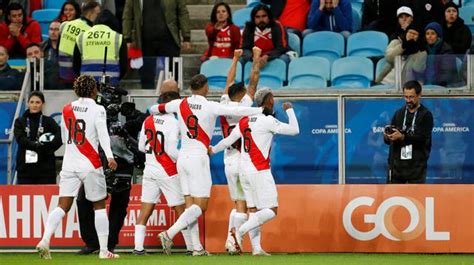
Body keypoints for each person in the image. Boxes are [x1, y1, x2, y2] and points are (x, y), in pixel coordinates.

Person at [150, 74, 263, 256]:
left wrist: (158, 113)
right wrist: (260, 111)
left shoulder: (179, 104)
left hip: (182, 159)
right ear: (205, 88)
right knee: (200, 206)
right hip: (197, 158)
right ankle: (169, 233)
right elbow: (238, 112)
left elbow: (155, 108)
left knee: (190, 207)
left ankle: (197, 249)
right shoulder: (210, 106)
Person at [35, 75, 119, 259]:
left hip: (70, 162)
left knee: (62, 205)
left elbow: (65, 137)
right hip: (90, 163)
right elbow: (103, 135)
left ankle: (45, 239)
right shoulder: (98, 109)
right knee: (99, 206)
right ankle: (104, 251)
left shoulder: (67, 108)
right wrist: (110, 156)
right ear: (92, 90)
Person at [210, 88, 300, 255]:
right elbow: (295, 130)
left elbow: (228, 140)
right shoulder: (267, 121)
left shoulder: (244, 121)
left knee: (253, 210)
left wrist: (213, 150)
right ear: (270, 101)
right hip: (259, 170)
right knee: (271, 210)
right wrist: (290, 110)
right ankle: (238, 232)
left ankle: (256, 249)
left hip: (244, 171)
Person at [219, 48, 268, 256]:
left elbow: (228, 82)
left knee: (240, 203)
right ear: (240, 96)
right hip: (243, 160)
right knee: (251, 206)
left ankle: (241, 244)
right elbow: (254, 79)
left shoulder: (223, 104)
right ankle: (236, 241)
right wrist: (256, 56)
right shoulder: (244, 106)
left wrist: (235, 58)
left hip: (228, 160)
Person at [133, 91, 194, 256]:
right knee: (181, 209)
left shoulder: (148, 120)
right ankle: (191, 248)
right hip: (167, 170)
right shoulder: (172, 122)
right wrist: (187, 157)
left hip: (149, 169)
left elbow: (140, 147)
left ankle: (138, 248)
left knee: (145, 210)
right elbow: (172, 151)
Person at [122, 0, 191, 89]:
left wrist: (186, 36)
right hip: (145, 40)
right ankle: (147, 98)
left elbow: (182, 12)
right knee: (147, 76)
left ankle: (173, 97)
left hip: (169, 39)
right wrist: (127, 38)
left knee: (172, 75)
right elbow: (127, 15)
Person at [384, 80, 433, 184]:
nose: (408, 100)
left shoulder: (426, 115)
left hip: (416, 167)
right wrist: (388, 137)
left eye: (411, 97)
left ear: (419, 95)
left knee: (415, 199)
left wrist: (402, 137)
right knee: (394, 198)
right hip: (397, 166)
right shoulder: (399, 113)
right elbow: (389, 139)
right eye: (406, 97)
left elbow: (423, 139)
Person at [13, 91, 61, 184]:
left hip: (46, 170)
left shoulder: (49, 121)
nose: (34, 105)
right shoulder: (20, 121)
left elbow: (60, 136)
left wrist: (48, 148)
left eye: (38, 102)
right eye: (32, 102)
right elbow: (20, 139)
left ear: (43, 104)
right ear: (28, 103)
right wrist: (36, 146)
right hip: (25, 170)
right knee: (26, 197)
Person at [73, 9, 127, 86]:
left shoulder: (81, 37)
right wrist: (115, 79)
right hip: (110, 85)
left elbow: (76, 64)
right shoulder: (118, 37)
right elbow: (124, 66)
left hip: (87, 86)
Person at [58, 1, 100, 88]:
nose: (98, 16)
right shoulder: (90, 32)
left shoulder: (65, 25)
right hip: (76, 77)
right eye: (97, 13)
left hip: (60, 73)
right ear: (90, 13)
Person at [423, 22, 458, 87]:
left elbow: (447, 74)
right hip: (426, 85)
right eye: (427, 34)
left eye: (433, 33)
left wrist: (435, 85)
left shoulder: (447, 50)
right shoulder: (424, 49)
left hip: (443, 86)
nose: (429, 36)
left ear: (438, 35)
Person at [41, 21, 60, 89]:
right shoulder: (42, 47)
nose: (53, 32)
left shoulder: (66, 47)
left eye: (56, 29)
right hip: (45, 83)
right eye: (51, 29)